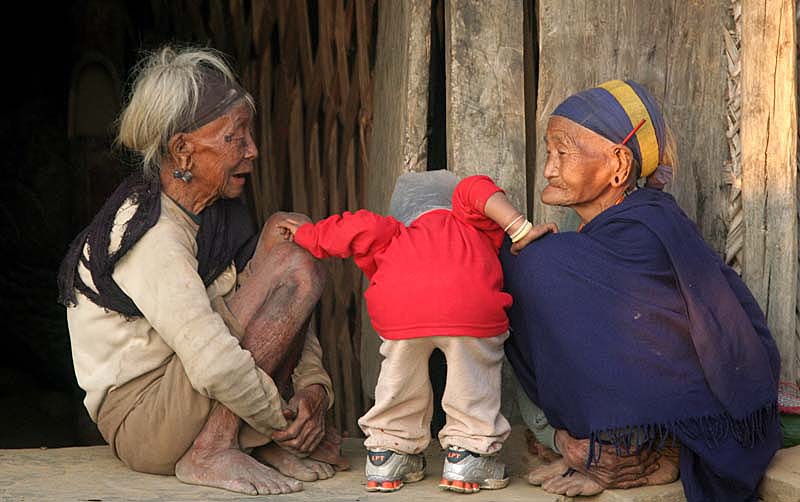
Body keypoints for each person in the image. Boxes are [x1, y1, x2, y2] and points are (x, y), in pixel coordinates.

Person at [57, 45, 348, 496]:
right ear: (183, 151)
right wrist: (281, 421)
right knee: (292, 263)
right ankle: (213, 448)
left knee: (288, 240)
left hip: (188, 392)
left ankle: (238, 439)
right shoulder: (149, 233)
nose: (253, 151)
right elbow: (212, 360)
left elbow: (279, 308)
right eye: (237, 137)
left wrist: (313, 392)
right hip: (144, 418)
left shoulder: (215, 214)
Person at [501, 79, 782, 501]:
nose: (548, 169)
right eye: (548, 151)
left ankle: (629, 446)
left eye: (563, 152)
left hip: (713, 415)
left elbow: (668, 350)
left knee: (535, 261)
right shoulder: (606, 235)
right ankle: (594, 444)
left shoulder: (647, 228)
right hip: (652, 411)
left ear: (618, 164)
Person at [276, 170, 557, 493]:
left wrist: (309, 234)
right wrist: (520, 229)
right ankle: (468, 455)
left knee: (399, 379)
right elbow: (474, 187)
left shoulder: (393, 231)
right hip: (468, 307)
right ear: (451, 202)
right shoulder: (468, 217)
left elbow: (356, 226)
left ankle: (388, 453)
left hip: (401, 310)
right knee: (471, 378)